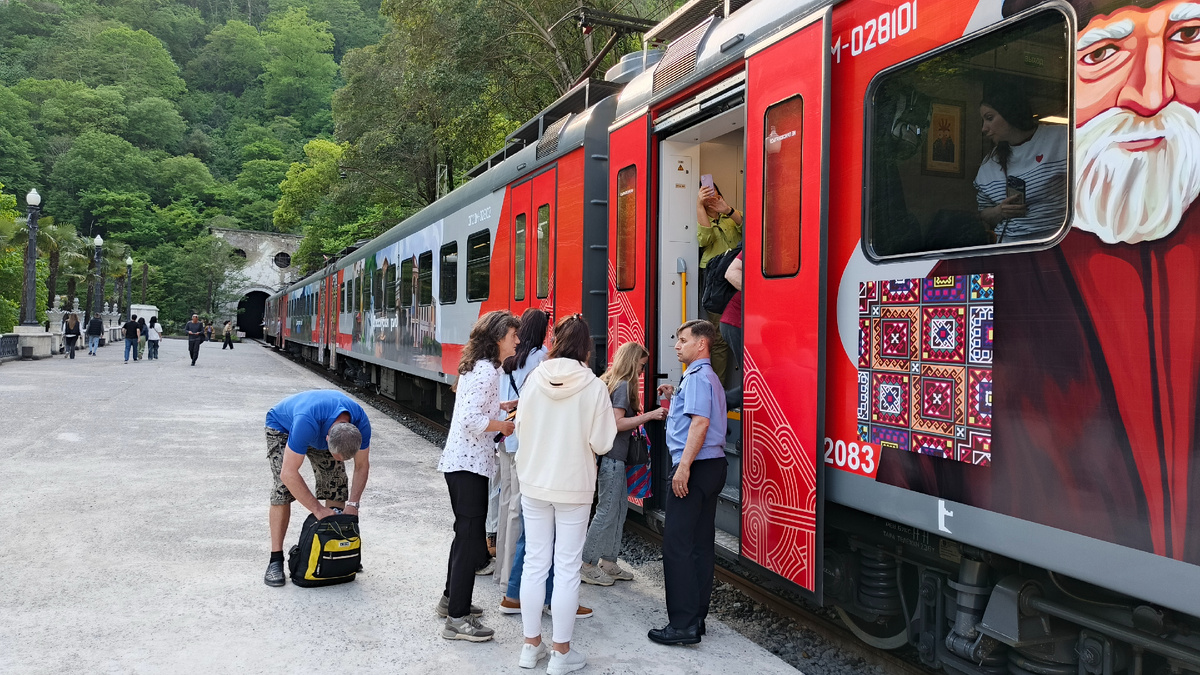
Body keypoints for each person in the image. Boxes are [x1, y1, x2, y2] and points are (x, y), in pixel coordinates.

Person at [514, 314, 616, 674]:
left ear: (555, 340)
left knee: (534, 564)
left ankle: (530, 648)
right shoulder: (594, 386)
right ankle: (561, 654)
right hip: (574, 485)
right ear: (587, 346)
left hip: (534, 482)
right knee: (567, 568)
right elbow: (602, 442)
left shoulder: (533, 380)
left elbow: (520, 429)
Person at [436, 310, 520, 642]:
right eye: (513, 335)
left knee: (465, 536)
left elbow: (476, 408)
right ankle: (457, 619)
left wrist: (502, 406)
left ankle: (451, 601)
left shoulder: (484, 369)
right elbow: (472, 420)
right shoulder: (487, 371)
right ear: (499, 337)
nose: (517, 340)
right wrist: (506, 425)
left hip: (463, 463)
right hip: (468, 465)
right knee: (470, 539)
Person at [649, 319, 728, 646]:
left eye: (683, 340)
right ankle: (696, 616)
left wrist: (682, 468)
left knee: (677, 545)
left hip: (694, 467)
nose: (677, 346)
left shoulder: (697, 376)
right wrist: (675, 395)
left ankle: (681, 625)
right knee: (699, 543)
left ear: (701, 345)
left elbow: (699, 423)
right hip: (713, 466)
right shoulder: (708, 377)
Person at [263, 390, 372, 587]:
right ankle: (275, 560)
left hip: (322, 429)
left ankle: (334, 547)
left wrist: (354, 504)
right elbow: (288, 473)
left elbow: (362, 466)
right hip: (282, 427)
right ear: (327, 438)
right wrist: (318, 510)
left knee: (337, 483)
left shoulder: (361, 424)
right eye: (336, 455)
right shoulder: (307, 421)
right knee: (283, 490)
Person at [580, 342, 666, 587]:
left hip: (614, 458)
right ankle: (587, 564)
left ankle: (609, 562)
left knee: (618, 510)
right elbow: (617, 423)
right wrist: (649, 415)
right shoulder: (623, 385)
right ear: (631, 361)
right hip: (613, 458)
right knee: (608, 511)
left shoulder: (612, 381)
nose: (642, 371)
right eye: (640, 366)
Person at [496, 309, 550, 597]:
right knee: (518, 508)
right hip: (522, 439)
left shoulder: (509, 358)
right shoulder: (540, 357)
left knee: (506, 504)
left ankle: (499, 572)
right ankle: (509, 581)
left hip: (503, 437)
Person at [973, 82, 1068, 243]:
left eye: (989, 118)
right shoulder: (990, 163)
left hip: (1057, 242)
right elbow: (982, 212)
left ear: (1009, 112)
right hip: (1009, 247)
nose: (984, 128)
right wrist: (1000, 211)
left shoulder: (1060, 139)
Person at [695, 184, 741, 386]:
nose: (712, 198)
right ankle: (720, 389)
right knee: (720, 337)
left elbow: (755, 226)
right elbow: (705, 239)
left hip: (739, 271)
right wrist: (700, 205)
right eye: (706, 195)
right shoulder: (700, 217)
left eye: (714, 193)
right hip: (717, 280)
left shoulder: (731, 215)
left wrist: (728, 210)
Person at [721, 251, 745, 406]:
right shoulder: (761, 242)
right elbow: (731, 273)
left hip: (738, 322)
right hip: (736, 322)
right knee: (755, 382)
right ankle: (715, 407)